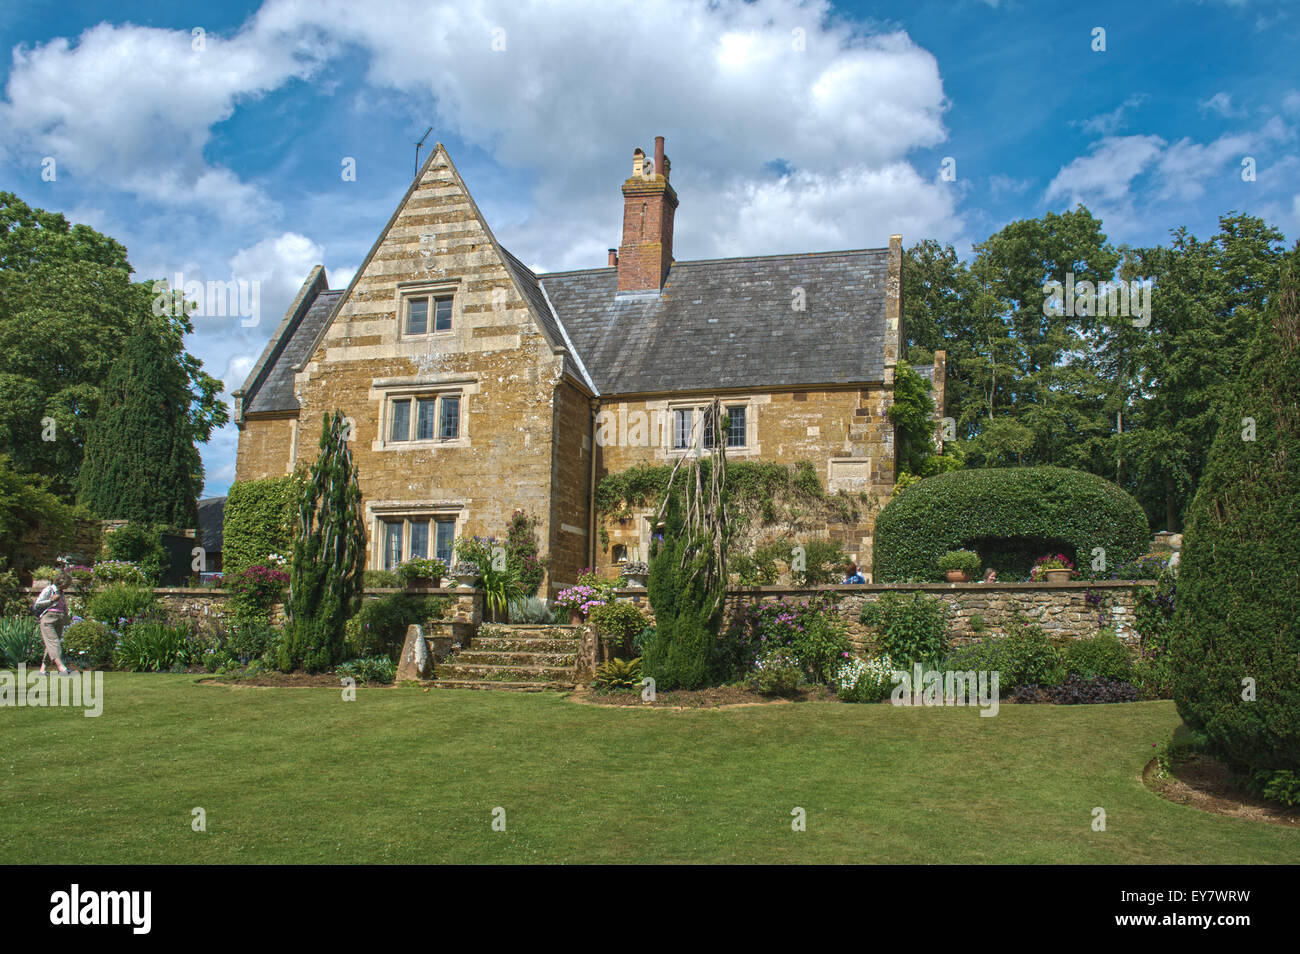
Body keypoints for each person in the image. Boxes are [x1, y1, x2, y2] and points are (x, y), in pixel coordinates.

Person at [33, 570, 74, 676]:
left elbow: (63, 607)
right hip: (48, 620)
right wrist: (51, 601)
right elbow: (37, 604)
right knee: (54, 642)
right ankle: (62, 667)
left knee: (50, 645)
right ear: (62, 582)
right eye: (68, 584)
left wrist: (66, 618)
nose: (68, 586)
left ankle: (43, 669)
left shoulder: (61, 592)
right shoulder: (49, 589)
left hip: (59, 620)